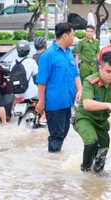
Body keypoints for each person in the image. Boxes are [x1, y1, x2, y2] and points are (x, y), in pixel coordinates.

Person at [73, 51, 111, 173]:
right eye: (108, 71)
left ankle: (97, 179)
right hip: (84, 118)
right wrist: (108, 105)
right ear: (100, 68)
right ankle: (84, 171)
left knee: (103, 152)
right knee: (92, 142)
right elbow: (87, 104)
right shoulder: (90, 81)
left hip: (102, 122)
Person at [35, 22, 82, 153]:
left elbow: (75, 74)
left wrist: (80, 90)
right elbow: (41, 82)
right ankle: (52, 167)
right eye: (73, 35)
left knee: (63, 134)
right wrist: (41, 102)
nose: (74, 38)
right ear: (65, 36)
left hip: (68, 103)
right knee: (56, 136)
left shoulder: (69, 53)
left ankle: (55, 160)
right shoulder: (48, 55)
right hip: (54, 104)